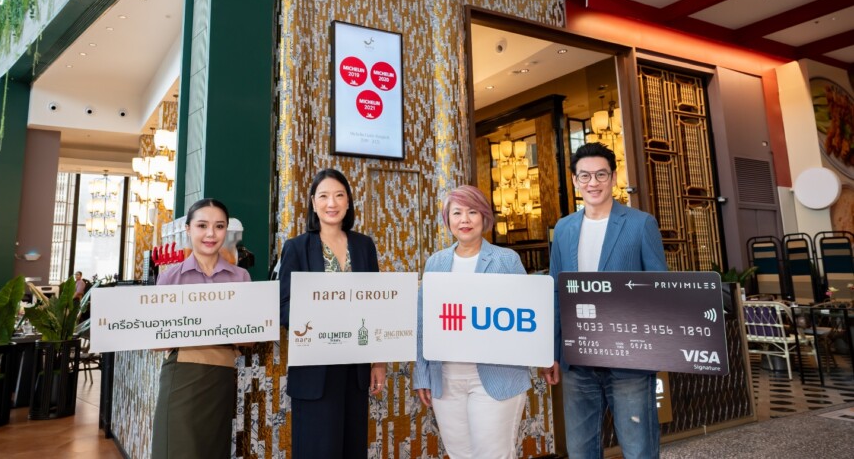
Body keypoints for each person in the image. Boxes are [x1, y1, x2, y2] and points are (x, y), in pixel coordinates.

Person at [540, 142, 667, 459]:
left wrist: (659, 347)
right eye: (584, 176)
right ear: (574, 180)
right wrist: (552, 352)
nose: (592, 182)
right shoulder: (564, 228)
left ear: (613, 177)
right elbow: (556, 292)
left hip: (630, 361)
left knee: (638, 449)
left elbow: (659, 289)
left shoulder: (641, 224)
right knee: (580, 451)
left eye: (600, 174)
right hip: (578, 361)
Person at [414, 185, 531, 459]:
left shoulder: (506, 261)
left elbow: (527, 316)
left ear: (484, 217)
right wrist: (422, 374)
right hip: (446, 380)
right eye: (457, 213)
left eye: (472, 212)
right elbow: (423, 323)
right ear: (448, 220)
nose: (464, 220)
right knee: (459, 454)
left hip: (496, 376)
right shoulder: (435, 263)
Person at [279, 168, 386, 459]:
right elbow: (283, 305)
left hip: (355, 368)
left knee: (352, 449)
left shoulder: (364, 246)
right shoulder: (296, 248)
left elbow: (376, 305)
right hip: (315, 370)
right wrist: (319, 321)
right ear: (313, 203)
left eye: (339, 195)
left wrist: (378, 361)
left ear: (348, 202)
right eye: (324, 196)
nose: (332, 203)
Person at [151, 198, 251, 459]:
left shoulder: (241, 277)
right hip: (181, 375)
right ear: (188, 229)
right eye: (202, 225)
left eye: (219, 226)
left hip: (222, 377)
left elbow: (250, 339)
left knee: (213, 449)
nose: (211, 234)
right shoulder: (170, 277)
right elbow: (155, 340)